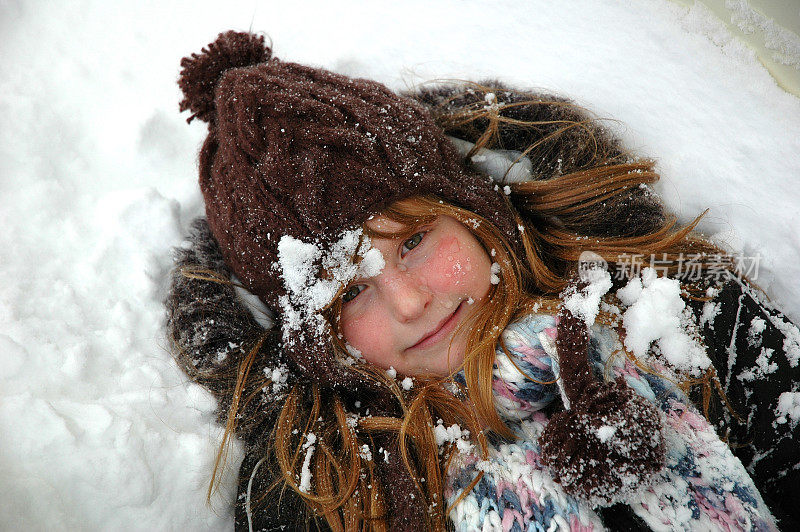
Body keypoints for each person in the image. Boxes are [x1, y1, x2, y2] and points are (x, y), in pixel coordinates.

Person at [167, 31, 799, 531]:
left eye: (413, 242)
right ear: (316, 343)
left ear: (475, 215)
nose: (411, 301)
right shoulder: (328, 495)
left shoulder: (685, 316)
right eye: (351, 291)